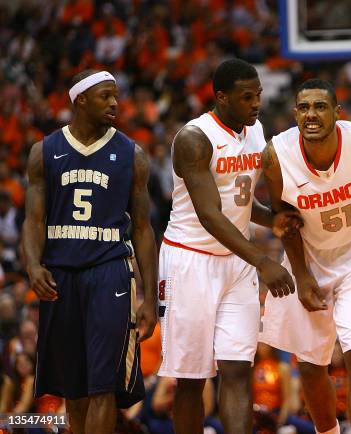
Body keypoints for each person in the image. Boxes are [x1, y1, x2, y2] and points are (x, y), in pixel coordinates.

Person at [158, 58, 300, 434]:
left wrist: (273, 219)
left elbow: (239, 201)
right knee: (191, 378)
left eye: (259, 95)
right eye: (246, 97)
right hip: (191, 261)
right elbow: (210, 214)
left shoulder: (254, 131)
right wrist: (264, 262)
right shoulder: (194, 139)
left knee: (238, 368)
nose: (256, 104)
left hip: (235, 263)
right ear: (221, 97)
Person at [260, 79, 351, 434]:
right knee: (310, 365)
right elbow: (285, 221)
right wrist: (302, 275)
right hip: (311, 255)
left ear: (337, 113)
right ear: (295, 113)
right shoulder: (276, 155)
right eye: (304, 107)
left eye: (320, 106)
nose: (311, 114)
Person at [23, 69, 158, 434]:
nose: (115, 103)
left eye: (116, 95)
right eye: (105, 96)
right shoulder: (45, 151)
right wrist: (32, 266)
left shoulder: (132, 154)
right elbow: (33, 221)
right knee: (74, 389)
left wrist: (149, 298)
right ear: (80, 100)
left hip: (109, 272)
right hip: (61, 275)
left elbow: (144, 229)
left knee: (104, 388)